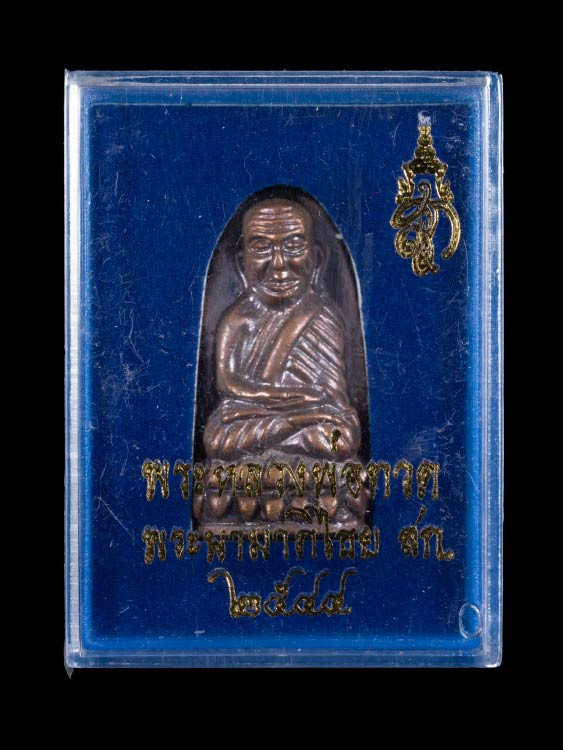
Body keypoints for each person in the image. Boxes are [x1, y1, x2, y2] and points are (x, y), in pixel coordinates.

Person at [203, 198, 361, 462]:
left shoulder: (322, 317)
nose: (278, 264)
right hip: (255, 417)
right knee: (217, 436)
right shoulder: (236, 320)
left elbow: (333, 403)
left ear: (316, 260)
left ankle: (279, 442)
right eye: (262, 248)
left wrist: (305, 409)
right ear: (242, 265)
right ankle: (288, 434)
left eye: (293, 246)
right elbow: (229, 386)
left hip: (307, 421)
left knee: (342, 436)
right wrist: (296, 405)